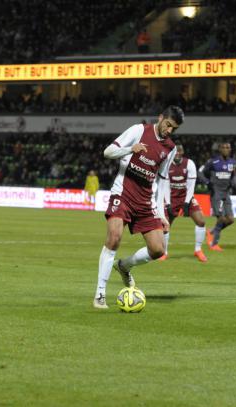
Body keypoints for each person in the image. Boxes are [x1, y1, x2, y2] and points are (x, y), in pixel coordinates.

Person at [93, 106, 184, 309]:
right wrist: (129, 149)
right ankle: (100, 294)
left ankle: (124, 266)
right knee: (114, 238)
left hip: (145, 201)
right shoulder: (138, 131)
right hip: (122, 194)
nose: (169, 130)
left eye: (174, 128)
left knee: (158, 249)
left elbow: (161, 181)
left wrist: (162, 213)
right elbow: (108, 152)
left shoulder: (170, 149)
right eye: (168, 125)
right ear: (161, 118)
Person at [159, 143, 208, 262]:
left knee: (201, 221)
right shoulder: (166, 164)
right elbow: (165, 185)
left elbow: (191, 185)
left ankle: (198, 250)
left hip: (187, 197)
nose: (177, 153)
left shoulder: (189, 164)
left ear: (183, 152)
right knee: (165, 225)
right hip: (171, 198)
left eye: (180, 151)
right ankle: (164, 252)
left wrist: (186, 203)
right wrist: (169, 204)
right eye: (175, 151)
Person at [198, 141, 236, 251]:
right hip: (216, 194)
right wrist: (207, 182)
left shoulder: (232, 162)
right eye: (224, 147)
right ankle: (214, 244)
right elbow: (200, 172)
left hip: (226, 193)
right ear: (220, 149)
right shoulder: (213, 162)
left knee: (230, 219)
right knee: (221, 218)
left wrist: (233, 182)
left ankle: (211, 232)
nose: (226, 149)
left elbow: (233, 174)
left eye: (228, 147)